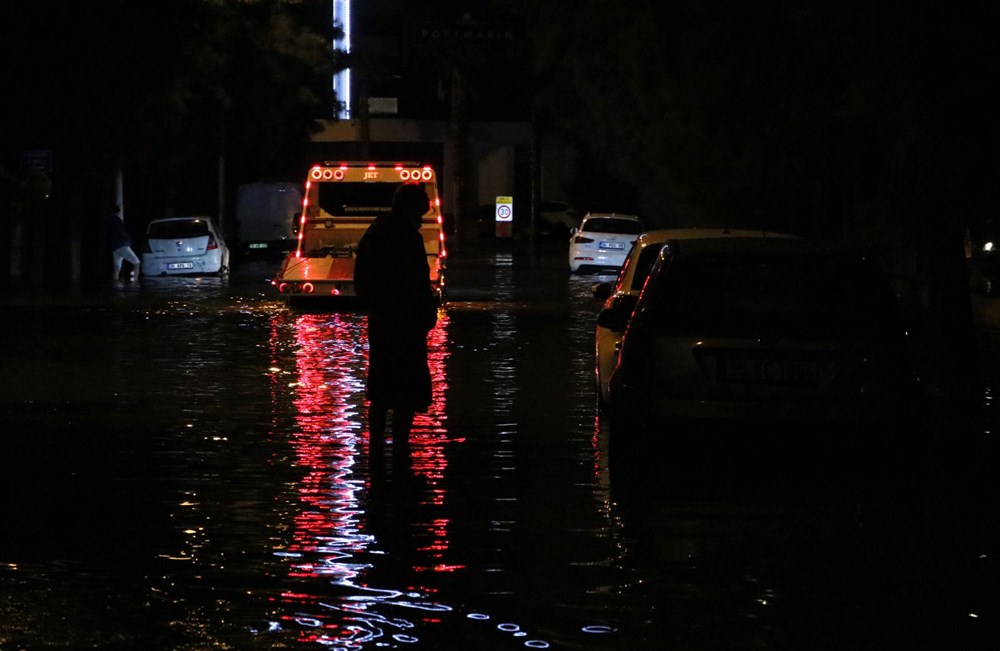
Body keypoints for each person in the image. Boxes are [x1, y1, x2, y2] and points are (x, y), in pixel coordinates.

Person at [354, 183, 438, 471]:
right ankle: (401, 448)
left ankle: (376, 449)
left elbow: (362, 279)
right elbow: (417, 282)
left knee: (381, 388)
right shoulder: (408, 238)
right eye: (420, 214)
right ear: (411, 210)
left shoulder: (375, 232)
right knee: (406, 390)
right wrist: (425, 313)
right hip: (406, 324)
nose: (421, 221)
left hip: (381, 323)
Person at [107, 205, 141, 282]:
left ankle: (115, 285)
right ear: (118, 212)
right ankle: (134, 281)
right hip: (121, 245)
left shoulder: (108, 221)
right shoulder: (117, 220)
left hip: (114, 247)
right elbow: (122, 232)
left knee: (117, 269)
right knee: (136, 263)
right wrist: (128, 241)